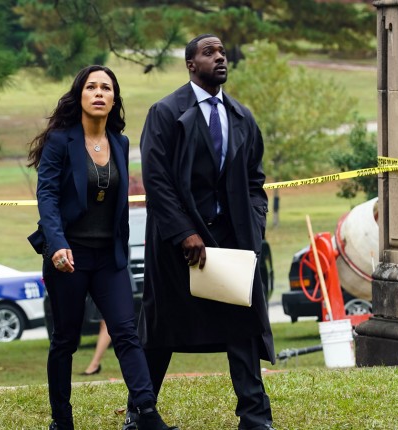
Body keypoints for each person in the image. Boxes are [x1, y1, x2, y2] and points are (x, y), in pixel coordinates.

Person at [131, 34, 277, 430]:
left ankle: (255, 417)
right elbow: (156, 180)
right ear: (191, 64)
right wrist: (183, 232)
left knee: (242, 326)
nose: (220, 58)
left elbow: (255, 180)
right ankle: (140, 413)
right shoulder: (165, 112)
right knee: (161, 329)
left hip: (232, 242)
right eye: (209, 53)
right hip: (176, 244)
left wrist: (255, 224)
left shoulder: (241, 116)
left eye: (222, 52)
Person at [27, 65, 178, 430]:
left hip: (109, 257)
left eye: (106, 88)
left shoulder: (120, 143)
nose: (98, 93)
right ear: (79, 95)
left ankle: (146, 414)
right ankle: (62, 420)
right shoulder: (61, 141)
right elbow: (47, 195)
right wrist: (56, 245)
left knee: (126, 333)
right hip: (69, 257)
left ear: (114, 99)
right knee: (65, 340)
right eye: (91, 87)